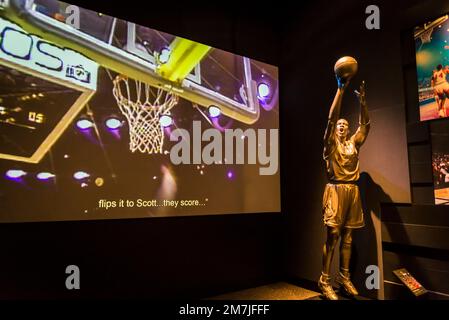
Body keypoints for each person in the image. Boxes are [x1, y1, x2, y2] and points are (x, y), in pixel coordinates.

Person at [318, 76, 370, 300]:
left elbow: (366, 127)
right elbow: (331, 118)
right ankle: (324, 279)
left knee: (348, 236)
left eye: (344, 125)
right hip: (336, 190)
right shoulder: (331, 144)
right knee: (333, 235)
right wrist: (341, 90)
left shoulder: (353, 143)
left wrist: (363, 104)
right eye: (339, 125)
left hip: (352, 190)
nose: (341, 126)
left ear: (348, 130)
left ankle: (344, 277)